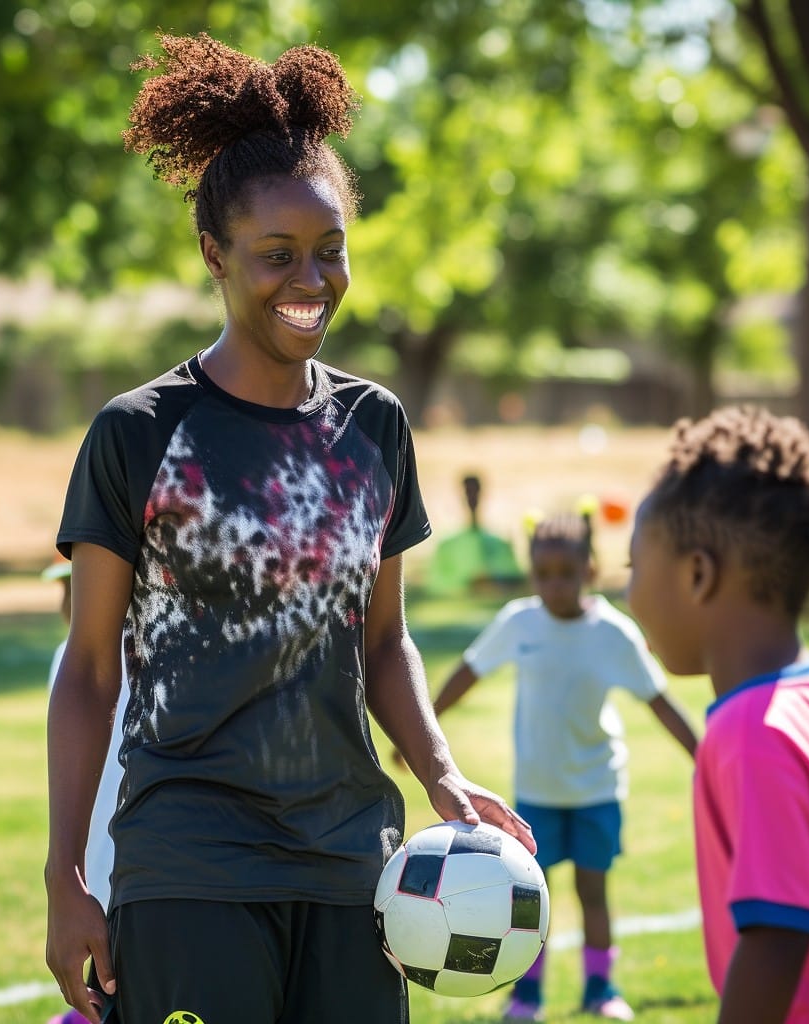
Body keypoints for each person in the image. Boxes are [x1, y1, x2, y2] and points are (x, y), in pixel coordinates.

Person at [43, 33, 534, 1024]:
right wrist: (65, 879)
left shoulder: (376, 425)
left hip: (352, 864)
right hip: (187, 867)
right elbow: (90, 667)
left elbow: (383, 636)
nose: (310, 280)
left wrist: (439, 774)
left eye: (330, 248)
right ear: (215, 256)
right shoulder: (137, 433)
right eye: (276, 256)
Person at [626, 405, 809, 1023]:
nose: (628, 594)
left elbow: (777, 935)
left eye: (634, 568)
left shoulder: (750, 732)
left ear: (697, 575)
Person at [429, 511, 698, 1022]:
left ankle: (601, 988)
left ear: (589, 571)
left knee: (593, 893)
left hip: (597, 789)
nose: (553, 585)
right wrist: (428, 733)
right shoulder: (519, 622)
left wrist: (705, 760)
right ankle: (527, 996)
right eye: (543, 573)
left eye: (565, 573)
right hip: (536, 793)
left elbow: (659, 701)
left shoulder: (614, 634)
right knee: (529, 898)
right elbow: (469, 671)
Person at [41, 555, 127, 1024]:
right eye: (64, 588)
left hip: (117, 880)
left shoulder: (73, 664)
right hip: (107, 883)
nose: (68, 600)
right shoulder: (73, 664)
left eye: (74, 585)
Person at [427, 473, 524, 595]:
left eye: (475, 492)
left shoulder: (500, 542)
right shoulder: (446, 545)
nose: (472, 498)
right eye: (468, 492)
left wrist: (492, 581)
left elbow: (515, 578)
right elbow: (436, 583)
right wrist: (469, 585)